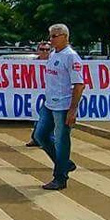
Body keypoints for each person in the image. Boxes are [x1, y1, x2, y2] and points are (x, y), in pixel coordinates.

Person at [35, 24, 84, 190]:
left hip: (63, 106)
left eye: (55, 36)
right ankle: (65, 163)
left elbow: (79, 85)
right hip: (49, 104)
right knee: (40, 136)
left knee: (62, 141)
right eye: (50, 36)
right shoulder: (54, 53)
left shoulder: (71, 57)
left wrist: (72, 110)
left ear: (65, 36)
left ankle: (60, 177)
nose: (51, 39)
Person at [26, 41, 52, 147]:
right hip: (36, 94)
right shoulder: (32, 63)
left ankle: (42, 139)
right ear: (38, 51)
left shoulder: (53, 62)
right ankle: (36, 138)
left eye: (47, 49)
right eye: (42, 49)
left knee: (46, 118)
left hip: (50, 94)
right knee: (38, 116)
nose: (44, 52)